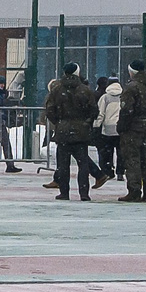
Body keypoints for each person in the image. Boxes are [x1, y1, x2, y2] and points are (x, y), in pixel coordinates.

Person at [42, 63, 98, 201]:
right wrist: (86, 122)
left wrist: (59, 123)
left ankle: (64, 192)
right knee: (82, 164)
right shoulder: (85, 90)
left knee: (63, 164)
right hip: (81, 131)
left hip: (63, 131)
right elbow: (94, 110)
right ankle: (84, 193)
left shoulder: (56, 90)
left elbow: (50, 110)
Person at [117, 58, 146, 202]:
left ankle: (134, 190)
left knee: (132, 159)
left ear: (131, 72)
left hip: (132, 128)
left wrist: (122, 127)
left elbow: (126, 110)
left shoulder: (131, 88)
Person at [94, 76, 124, 182]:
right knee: (121, 153)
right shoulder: (123, 96)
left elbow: (100, 113)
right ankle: (120, 172)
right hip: (120, 129)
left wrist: (96, 125)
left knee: (107, 152)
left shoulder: (105, 97)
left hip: (107, 129)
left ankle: (109, 171)